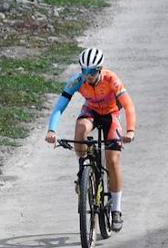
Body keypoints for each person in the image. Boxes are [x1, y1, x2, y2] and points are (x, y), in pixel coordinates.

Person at [46, 47, 136, 232]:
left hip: (111, 114)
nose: (88, 76)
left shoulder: (112, 79)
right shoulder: (77, 81)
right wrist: (52, 130)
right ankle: (83, 171)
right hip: (91, 112)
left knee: (112, 159)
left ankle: (116, 210)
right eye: (85, 71)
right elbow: (59, 107)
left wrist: (130, 131)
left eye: (93, 71)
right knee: (80, 130)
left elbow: (128, 106)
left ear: (100, 69)